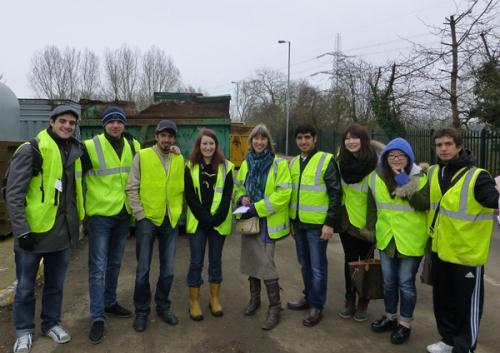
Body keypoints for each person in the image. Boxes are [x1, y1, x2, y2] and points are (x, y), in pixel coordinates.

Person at [5, 105, 85, 353]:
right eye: (63, 121)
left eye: (72, 123)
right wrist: (22, 231)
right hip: (33, 235)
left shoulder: (75, 150)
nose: (67, 126)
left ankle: (51, 324)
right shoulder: (32, 150)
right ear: (51, 121)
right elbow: (13, 194)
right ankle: (24, 331)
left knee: (55, 286)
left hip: (62, 233)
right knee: (26, 287)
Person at [425, 128, 499, 353]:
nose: (443, 149)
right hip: (440, 249)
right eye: (439, 145)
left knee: (466, 305)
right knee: (443, 301)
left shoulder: (478, 176)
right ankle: (448, 340)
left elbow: (494, 201)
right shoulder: (433, 172)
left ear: (459, 146)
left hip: (467, 254)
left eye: (448, 144)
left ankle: (464, 347)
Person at [81, 106, 140, 343]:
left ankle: (110, 301)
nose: (115, 125)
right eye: (111, 121)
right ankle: (97, 316)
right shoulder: (89, 147)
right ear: (104, 124)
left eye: (119, 121)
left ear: (124, 125)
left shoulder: (133, 146)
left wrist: (174, 149)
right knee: (98, 268)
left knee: (115, 263)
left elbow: (152, 159)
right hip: (100, 217)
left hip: (123, 215)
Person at [362, 137, 429, 345]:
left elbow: (423, 204)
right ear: (386, 158)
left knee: (406, 284)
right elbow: (372, 206)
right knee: (389, 283)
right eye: (392, 155)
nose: (396, 159)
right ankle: (390, 317)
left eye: (401, 155)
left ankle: (405, 324)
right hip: (386, 238)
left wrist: (405, 184)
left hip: (410, 240)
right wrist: (371, 230)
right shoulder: (376, 177)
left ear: (409, 158)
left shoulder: (422, 177)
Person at [125, 120, 184, 332]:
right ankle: (141, 311)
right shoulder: (142, 156)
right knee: (143, 270)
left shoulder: (179, 158)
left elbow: (181, 188)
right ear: (157, 136)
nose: (167, 140)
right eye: (163, 135)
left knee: (168, 271)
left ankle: (163, 306)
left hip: (170, 219)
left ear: (174, 138)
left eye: (170, 136)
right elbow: (131, 187)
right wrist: (140, 214)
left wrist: (178, 212)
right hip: (147, 219)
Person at [233, 124, 291, 330]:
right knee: (252, 260)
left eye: (263, 138)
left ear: (268, 142)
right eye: (255, 139)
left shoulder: (279, 165)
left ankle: (275, 308)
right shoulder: (246, 163)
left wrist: (256, 208)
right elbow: (238, 186)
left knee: (266, 263)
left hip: (267, 222)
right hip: (249, 220)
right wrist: (242, 198)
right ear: (251, 142)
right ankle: (255, 301)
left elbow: (283, 195)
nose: (259, 142)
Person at [286, 123, 342, 327]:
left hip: (318, 226)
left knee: (318, 268)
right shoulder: (293, 163)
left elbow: (336, 193)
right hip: (299, 224)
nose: (303, 141)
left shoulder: (326, 160)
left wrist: (329, 223)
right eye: (299, 138)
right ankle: (308, 297)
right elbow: (292, 194)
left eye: (307, 137)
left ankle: (317, 306)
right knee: (304, 265)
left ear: (315, 138)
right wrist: (292, 222)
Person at [184, 129, 234, 321]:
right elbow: (190, 196)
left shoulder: (226, 166)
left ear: (216, 146)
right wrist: (205, 218)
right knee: (196, 262)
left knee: (215, 261)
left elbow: (227, 195)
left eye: (211, 143)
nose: (208, 147)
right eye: (204, 143)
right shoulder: (190, 166)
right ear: (199, 146)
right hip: (198, 223)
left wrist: (216, 219)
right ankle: (194, 301)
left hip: (218, 224)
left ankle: (214, 299)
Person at [336, 124, 381, 322]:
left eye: (355, 138)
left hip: (369, 223)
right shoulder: (341, 161)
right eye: (347, 138)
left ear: (364, 140)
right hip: (348, 221)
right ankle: (349, 298)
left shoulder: (376, 163)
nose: (351, 141)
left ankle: (364, 299)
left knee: (366, 263)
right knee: (350, 261)